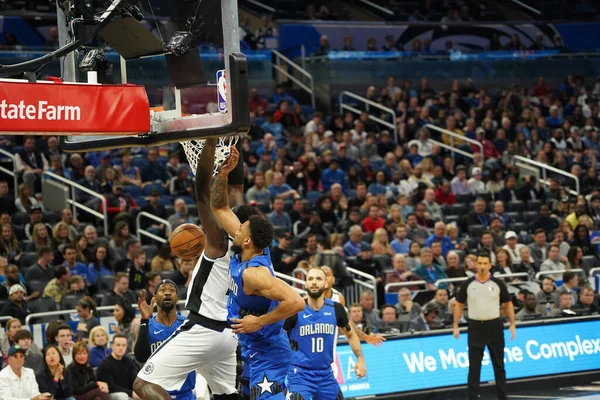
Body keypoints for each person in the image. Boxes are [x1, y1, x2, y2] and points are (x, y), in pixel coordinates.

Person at [134, 138, 249, 400]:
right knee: (226, 395)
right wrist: (237, 138)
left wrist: (210, 141)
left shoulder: (219, 242)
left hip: (204, 329)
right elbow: (237, 190)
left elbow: (202, 194)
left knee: (143, 385)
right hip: (228, 336)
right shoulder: (250, 248)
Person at [210, 145, 305, 400]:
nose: (237, 230)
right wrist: (223, 174)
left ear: (249, 241)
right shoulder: (246, 248)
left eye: (241, 230)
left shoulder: (255, 274)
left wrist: (259, 321)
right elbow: (219, 209)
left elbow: (297, 301)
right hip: (251, 346)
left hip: (268, 350)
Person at [284, 267, 366, 400]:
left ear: (326, 283)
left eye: (318, 279)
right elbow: (278, 337)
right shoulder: (295, 309)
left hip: (325, 374)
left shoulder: (336, 308)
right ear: (305, 283)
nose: (314, 282)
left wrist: (360, 359)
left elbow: (350, 334)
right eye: (310, 279)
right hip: (300, 375)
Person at [453, 252, 516, 400]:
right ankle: (473, 397)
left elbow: (508, 303)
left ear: (490, 265)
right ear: (475, 264)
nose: (482, 266)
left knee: (499, 366)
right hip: (475, 328)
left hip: (494, 326)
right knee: (474, 367)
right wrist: (455, 325)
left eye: (484, 263)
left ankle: (502, 397)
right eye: (479, 263)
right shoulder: (467, 284)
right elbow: (459, 304)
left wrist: (512, 324)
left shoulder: (498, 283)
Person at [134, 280, 196, 400]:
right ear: (155, 298)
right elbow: (141, 357)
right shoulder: (147, 325)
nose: (167, 293)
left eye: (171, 290)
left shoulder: (187, 324)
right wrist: (144, 320)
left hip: (185, 394)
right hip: (156, 395)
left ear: (177, 298)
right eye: (162, 290)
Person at [96, 334, 139, 400]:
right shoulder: (104, 365)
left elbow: (134, 381)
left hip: (129, 394)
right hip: (112, 394)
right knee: (122, 396)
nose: (121, 348)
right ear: (112, 346)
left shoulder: (129, 362)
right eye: (118, 345)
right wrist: (131, 393)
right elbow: (111, 387)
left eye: (123, 345)